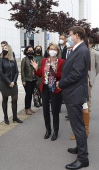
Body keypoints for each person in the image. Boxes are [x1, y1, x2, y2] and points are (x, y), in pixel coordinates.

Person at [57, 26, 90, 169]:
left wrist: (61, 83)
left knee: (78, 127)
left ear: (76, 35)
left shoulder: (82, 50)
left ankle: (83, 158)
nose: (68, 37)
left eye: (70, 35)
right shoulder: (78, 49)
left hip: (74, 93)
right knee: (77, 125)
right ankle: (79, 148)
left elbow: (76, 74)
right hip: (73, 92)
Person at [31, 43, 64, 141]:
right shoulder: (44, 60)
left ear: (57, 51)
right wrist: (35, 68)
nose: (52, 50)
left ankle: (55, 131)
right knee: (45, 110)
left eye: (54, 49)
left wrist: (53, 69)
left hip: (55, 89)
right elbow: (40, 74)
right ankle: (48, 130)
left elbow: (61, 76)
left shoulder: (61, 62)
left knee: (55, 111)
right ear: (48, 50)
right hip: (45, 88)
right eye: (51, 49)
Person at [0, 44, 23, 125]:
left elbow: (16, 72)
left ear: (10, 50)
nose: (4, 49)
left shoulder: (13, 60)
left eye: (6, 48)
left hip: (13, 83)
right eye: (3, 48)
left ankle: (15, 117)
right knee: (5, 100)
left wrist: (13, 82)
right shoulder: (1, 60)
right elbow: (1, 73)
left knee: (15, 99)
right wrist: (9, 82)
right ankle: (6, 117)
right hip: (5, 83)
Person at [21, 45, 37, 115]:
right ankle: (26, 109)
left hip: (33, 79)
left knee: (31, 94)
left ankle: (29, 107)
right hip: (27, 79)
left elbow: (36, 68)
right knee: (28, 94)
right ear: (26, 51)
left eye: (32, 50)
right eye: (29, 50)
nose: (31, 51)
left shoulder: (34, 58)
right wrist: (23, 80)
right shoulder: (24, 59)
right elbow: (22, 71)